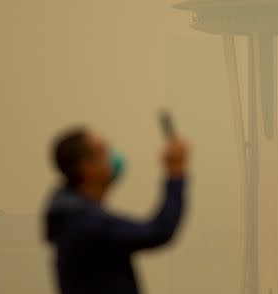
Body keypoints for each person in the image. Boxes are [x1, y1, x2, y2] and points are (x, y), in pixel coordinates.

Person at [43, 125, 189, 294]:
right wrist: (175, 172)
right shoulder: (85, 224)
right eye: (104, 152)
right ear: (87, 167)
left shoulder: (74, 216)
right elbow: (159, 231)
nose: (114, 157)